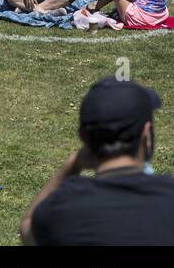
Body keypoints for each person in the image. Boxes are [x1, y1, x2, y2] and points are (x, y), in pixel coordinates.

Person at [21, 77, 174, 245]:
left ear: (83, 138)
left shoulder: (62, 207)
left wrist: (73, 164)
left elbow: (28, 228)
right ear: (146, 135)